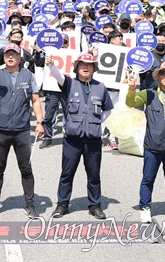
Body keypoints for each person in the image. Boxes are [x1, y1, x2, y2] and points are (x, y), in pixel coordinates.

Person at [45, 53, 114, 220]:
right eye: (82, 64)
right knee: (67, 173)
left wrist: (95, 123)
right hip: (72, 139)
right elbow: (59, 77)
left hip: (93, 140)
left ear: (93, 68)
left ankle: (95, 205)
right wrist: (51, 65)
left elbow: (107, 110)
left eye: (89, 65)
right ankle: (62, 204)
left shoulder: (100, 87)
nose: (85, 67)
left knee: (94, 174)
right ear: (76, 67)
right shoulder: (70, 84)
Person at [0, 43, 44, 219]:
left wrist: (40, 122)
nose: (10, 57)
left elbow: (36, 100)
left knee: (26, 168)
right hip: (1, 129)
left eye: (14, 54)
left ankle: (30, 204)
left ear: (20, 57)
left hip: (22, 129)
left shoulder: (28, 76)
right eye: (7, 54)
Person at [126, 61, 165, 224]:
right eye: (164, 73)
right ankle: (145, 208)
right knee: (148, 178)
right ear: (159, 76)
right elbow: (131, 103)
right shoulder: (149, 93)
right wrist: (132, 89)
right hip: (152, 147)